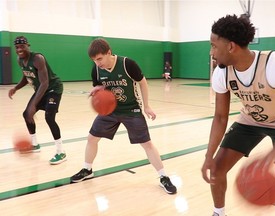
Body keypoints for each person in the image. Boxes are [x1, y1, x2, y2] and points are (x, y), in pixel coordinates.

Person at [201, 15, 275, 216]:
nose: (211, 52)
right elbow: (221, 117)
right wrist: (208, 156)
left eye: (214, 46)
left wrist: (270, 157)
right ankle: (218, 213)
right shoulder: (222, 72)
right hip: (250, 120)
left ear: (231, 47)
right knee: (216, 168)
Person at [70, 38, 177, 194]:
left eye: (99, 58)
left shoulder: (127, 64)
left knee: (146, 144)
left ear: (109, 53)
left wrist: (146, 106)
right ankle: (87, 169)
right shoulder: (96, 69)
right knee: (92, 138)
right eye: (94, 60)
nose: (97, 63)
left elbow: (143, 82)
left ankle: (163, 177)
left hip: (131, 109)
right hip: (110, 111)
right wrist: (98, 90)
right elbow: (100, 86)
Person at [8, 36, 66, 165]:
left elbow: (45, 83)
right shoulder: (20, 60)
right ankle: (35, 145)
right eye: (17, 47)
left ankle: (60, 151)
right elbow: (27, 76)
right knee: (27, 114)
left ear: (28, 45)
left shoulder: (37, 58)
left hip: (53, 89)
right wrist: (16, 88)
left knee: (49, 117)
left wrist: (34, 104)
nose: (19, 49)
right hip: (41, 89)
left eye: (22, 46)